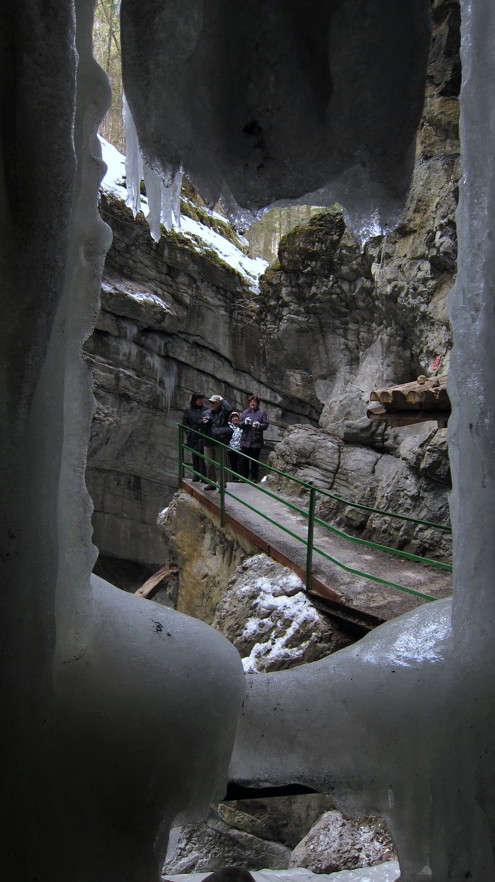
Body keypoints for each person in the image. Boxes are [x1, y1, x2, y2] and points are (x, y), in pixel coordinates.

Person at [202, 394, 233, 490]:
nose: (212, 404)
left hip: (219, 441)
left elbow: (229, 409)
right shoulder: (206, 412)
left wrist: (222, 399)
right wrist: (204, 421)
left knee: (219, 463)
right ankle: (211, 483)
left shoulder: (223, 412)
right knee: (209, 463)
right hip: (208, 441)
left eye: (214, 402)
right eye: (211, 402)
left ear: (219, 403)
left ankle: (222, 483)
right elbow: (202, 422)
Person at [239, 394, 269, 483]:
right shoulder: (244, 413)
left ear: (258, 403)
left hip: (256, 441)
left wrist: (259, 425)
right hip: (245, 440)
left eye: (254, 402)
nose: (252, 403)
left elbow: (266, 425)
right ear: (248, 403)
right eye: (251, 402)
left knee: (255, 461)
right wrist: (244, 422)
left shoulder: (262, 413)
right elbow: (239, 425)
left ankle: (254, 478)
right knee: (244, 460)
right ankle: (243, 477)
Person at [182, 392, 207, 481]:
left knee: (204, 457)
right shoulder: (188, 410)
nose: (201, 401)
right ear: (194, 400)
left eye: (202, 399)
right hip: (193, 436)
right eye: (199, 399)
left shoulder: (206, 410)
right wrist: (189, 432)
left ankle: (204, 476)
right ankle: (196, 475)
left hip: (203, 435)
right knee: (195, 456)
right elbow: (185, 423)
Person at [227, 412, 243, 481]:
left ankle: (241, 478)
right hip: (231, 448)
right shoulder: (228, 426)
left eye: (236, 417)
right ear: (231, 419)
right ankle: (235, 478)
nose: (235, 418)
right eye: (233, 417)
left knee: (241, 463)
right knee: (233, 463)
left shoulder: (242, 426)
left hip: (240, 447)